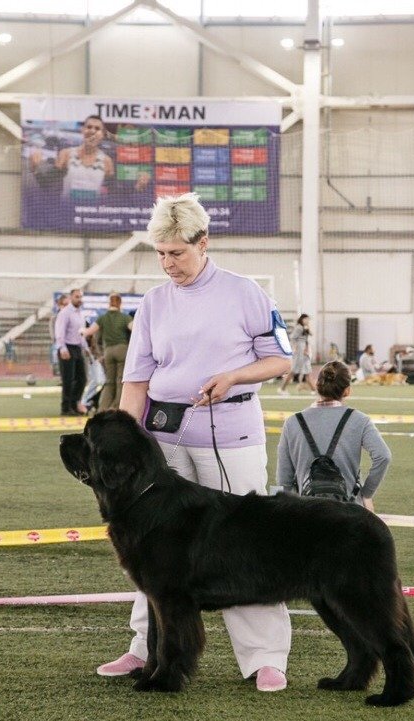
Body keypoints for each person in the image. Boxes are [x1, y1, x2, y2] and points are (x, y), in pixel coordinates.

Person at [96, 192, 293, 692]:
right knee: (151, 549)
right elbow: (136, 380)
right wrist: (123, 441)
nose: (168, 264)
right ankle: (145, 649)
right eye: (160, 253)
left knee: (248, 546)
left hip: (231, 433)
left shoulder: (245, 292)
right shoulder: (154, 303)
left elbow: (280, 360)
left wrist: (235, 376)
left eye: (177, 253)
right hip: (164, 437)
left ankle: (265, 658)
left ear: (204, 243)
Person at [276, 360, 392, 514]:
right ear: (347, 391)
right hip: (349, 512)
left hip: (306, 512)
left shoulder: (292, 422)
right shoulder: (360, 420)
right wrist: (366, 494)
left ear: (317, 386)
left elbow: (283, 479)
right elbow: (383, 456)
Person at [82, 293, 133, 411]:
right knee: (120, 381)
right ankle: (117, 408)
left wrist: (82, 330)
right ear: (120, 303)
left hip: (108, 352)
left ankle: (103, 409)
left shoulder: (102, 318)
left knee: (109, 382)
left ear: (109, 303)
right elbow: (135, 329)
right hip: (122, 350)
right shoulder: (125, 317)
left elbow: (89, 332)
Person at [54, 288, 87, 416]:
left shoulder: (80, 313)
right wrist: (62, 348)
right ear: (71, 297)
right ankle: (66, 408)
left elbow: (81, 332)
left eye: (80, 297)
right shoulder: (65, 313)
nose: (79, 299)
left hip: (77, 348)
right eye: (77, 297)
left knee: (82, 379)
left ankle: (74, 404)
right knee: (68, 380)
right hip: (67, 348)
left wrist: (85, 348)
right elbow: (59, 331)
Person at [278, 314, 317, 395]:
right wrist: (295, 348)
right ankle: (282, 389)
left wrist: (307, 328)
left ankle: (314, 390)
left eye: (308, 320)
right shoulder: (299, 327)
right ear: (302, 319)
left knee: (307, 371)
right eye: (306, 319)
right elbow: (292, 338)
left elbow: (310, 335)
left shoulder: (304, 327)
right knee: (294, 371)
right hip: (299, 350)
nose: (307, 321)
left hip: (305, 351)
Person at [49, 293, 69, 376]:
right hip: (59, 343)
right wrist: (55, 341)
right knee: (59, 362)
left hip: (70, 344)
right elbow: (52, 330)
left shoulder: (71, 316)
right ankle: (61, 376)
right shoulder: (55, 317)